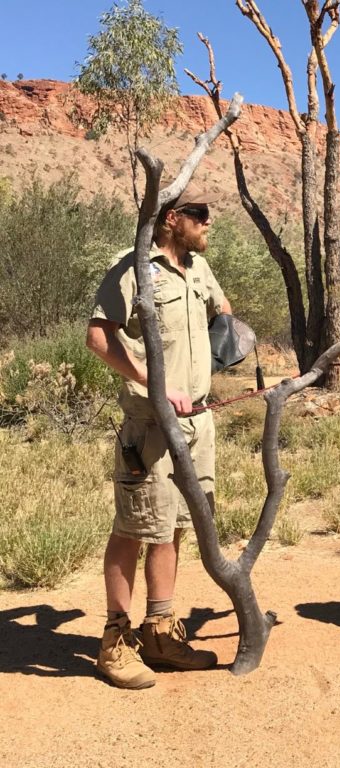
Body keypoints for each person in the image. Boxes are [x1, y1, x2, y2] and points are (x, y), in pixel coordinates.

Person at [87, 183, 229, 689]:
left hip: (198, 424)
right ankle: (115, 640)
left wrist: (226, 343)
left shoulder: (199, 268)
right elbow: (98, 337)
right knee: (133, 527)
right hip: (150, 427)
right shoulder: (134, 269)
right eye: (201, 214)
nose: (209, 222)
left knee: (174, 527)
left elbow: (223, 312)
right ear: (172, 218)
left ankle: (160, 633)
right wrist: (155, 382)